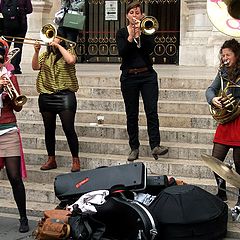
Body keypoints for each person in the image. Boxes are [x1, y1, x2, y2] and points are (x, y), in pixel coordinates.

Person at [116, 1, 168, 161]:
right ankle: (134, 147)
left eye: (137, 13)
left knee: (151, 111)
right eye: (131, 13)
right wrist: (131, 36)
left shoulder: (147, 29)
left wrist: (141, 34)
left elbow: (149, 49)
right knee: (131, 114)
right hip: (129, 76)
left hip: (147, 76)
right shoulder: (121, 33)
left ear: (141, 15)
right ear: (127, 16)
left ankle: (155, 145)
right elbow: (122, 52)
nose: (134, 16)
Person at [32, 32, 80, 172]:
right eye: (51, 37)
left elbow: (70, 60)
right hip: (46, 95)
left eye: (55, 37)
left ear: (62, 39)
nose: (52, 39)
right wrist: (36, 51)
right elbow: (35, 67)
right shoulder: (45, 55)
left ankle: (75, 159)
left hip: (65, 95)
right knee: (49, 129)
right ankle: (51, 159)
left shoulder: (69, 50)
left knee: (68, 128)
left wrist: (59, 46)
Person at [206, 38, 240, 206]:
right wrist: (213, 99)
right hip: (226, 121)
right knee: (215, 159)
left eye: (228, 55)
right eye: (223, 55)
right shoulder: (222, 72)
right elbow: (210, 89)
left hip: (239, 121)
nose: (225, 58)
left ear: (236, 55)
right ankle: (221, 192)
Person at [0, 38, 29, 232]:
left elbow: (18, 107)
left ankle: (23, 217)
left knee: (14, 176)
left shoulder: (10, 75)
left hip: (8, 128)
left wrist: (9, 93)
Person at [0, 0, 33, 74]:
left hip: (7, 25)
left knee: (5, 46)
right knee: (18, 46)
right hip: (21, 24)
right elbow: (29, 9)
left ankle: (3, 66)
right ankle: (15, 67)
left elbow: (1, 8)